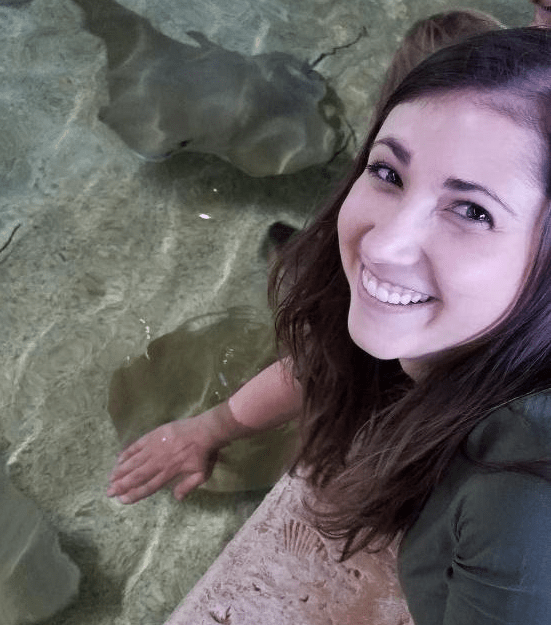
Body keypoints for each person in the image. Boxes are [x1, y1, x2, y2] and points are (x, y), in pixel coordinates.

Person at [108, 25, 551, 624]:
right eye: (388, 172)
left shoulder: (525, 497)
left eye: (472, 210)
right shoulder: (447, 328)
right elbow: (330, 361)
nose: (385, 245)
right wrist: (211, 426)